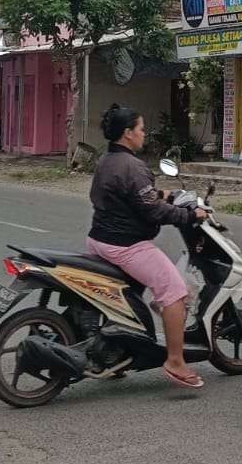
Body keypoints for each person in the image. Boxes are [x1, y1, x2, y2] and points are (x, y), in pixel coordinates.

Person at [86, 104, 207, 389]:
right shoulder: (133, 167)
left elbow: (136, 197)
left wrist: (165, 193)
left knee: (127, 297)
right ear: (128, 134)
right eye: (141, 130)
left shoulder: (106, 160)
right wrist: (190, 215)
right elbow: (153, 212)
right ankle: (175, 361)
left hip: (98, 240)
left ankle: (118, 353)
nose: (144, 135)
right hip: (126, 245)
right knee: (175, 291)